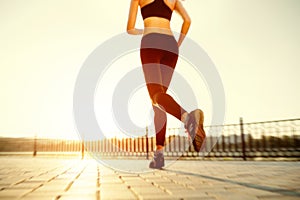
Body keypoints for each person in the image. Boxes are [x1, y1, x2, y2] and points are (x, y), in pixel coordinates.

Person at [127, 0, 205, 169]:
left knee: (156, 96)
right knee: (160, 104)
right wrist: (177, 44)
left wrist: (144, 30)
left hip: (150, 42)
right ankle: (159, 155)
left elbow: (129, 28)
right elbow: (187, 21)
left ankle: (188, 119)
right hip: (170, 46)